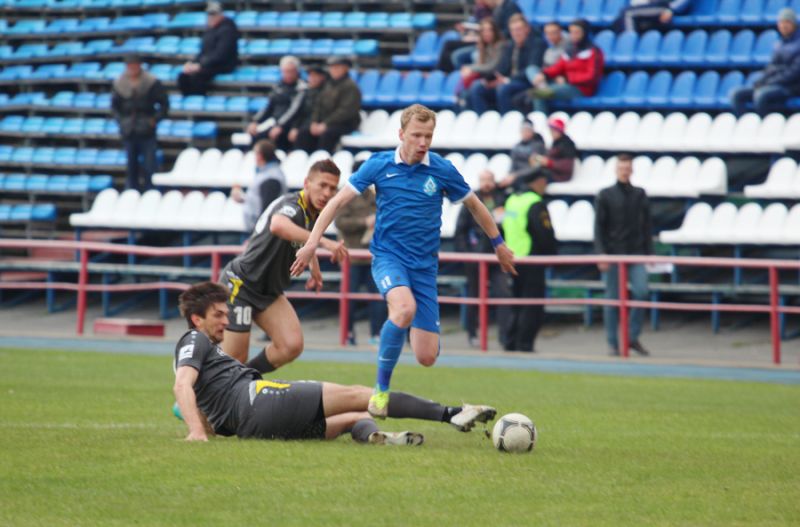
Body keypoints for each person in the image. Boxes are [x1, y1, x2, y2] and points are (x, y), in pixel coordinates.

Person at [291, 104, 517, 419]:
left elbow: (476, 206)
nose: (423, 142)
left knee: (426, 356)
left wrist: (499, 244)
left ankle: (402, 331)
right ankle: (380, 391)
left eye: (428, 136)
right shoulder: (379, 165)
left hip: (424, 267)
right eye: (416, 135)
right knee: (403, 308)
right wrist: (312, 242)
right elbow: (337, 203)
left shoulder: (442, 170)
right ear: (401, 134)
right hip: (388, 257)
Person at [173, 281, 497, 443]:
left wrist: (204, 427)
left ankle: (381, 440)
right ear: (196, 319)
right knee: (362, 395)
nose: (226, 321)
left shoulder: (204, 354)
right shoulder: (194, 339)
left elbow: (198, 397)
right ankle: (451, 414)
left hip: (255, 428)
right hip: (260, 400)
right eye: (218, 315)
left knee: (354, 417)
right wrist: (196, 432)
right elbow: (182, 385)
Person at [219, 159, 348, 371]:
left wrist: (314, 265)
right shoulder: (292, 205)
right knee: (235, 359)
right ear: (307, 183)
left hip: (269, 290)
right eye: (322, 185)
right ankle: (203, 385)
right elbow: (278, 225)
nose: (327, 193)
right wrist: (324, 242)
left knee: (291, 345)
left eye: (332, 188)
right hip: (242, 284)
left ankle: (245, 379)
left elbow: (304, 240)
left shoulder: (315, 213)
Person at [594, 153, 652, 357]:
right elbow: (598, 227)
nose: (624, 171)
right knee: (612, 299)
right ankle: (613, 342)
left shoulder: (640, 194)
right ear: (616, 170)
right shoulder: (605, 195)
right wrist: (601, 253)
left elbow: (646, 226)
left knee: (641, 293)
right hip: (613, 254)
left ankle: (632, 337)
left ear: (632, 170)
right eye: (621, 168)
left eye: (627, 168)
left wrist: (649, 253)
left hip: (635, 253)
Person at [454, 169, 512, 348]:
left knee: (503, 294)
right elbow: (460, 231)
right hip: (476, 258)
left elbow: (510, 223)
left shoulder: (503, 199)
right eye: (483, 180)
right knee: (474, 296)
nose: (486, 184)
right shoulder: (471, 199)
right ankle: (472, 333)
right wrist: (467, 254)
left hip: (497, 257)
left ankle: (504, 336)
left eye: (489, 180)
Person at [501, 171, 557, 352]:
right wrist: (552, 256)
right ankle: (524, 343)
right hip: (531, 259)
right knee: (532, 305)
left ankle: (510, 341)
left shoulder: (512, 200)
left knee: (516, 302)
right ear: (539, 181)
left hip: (513, 258)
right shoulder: (535, 202)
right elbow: (544, 234)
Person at [334, 160, 387, 346]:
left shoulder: (374, 194)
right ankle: (348, 334)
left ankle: (377, 334)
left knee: (378, 297)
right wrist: (364, 222)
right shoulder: (345, 194)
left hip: (372, 255)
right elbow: (340, 222)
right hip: (351, 256)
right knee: (349, 298)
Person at [465, 13, 545, 114]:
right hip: (507, 81)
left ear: (527, 29)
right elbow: (502, 67)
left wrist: (508, 80)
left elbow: (531, 69)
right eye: (513, 30)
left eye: (519, 29)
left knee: (503, 88)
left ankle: (507, 119)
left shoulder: (537, 44)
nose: (516, 33)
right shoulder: (510, 45)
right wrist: (493, 80)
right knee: (478, 86)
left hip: (525, 82)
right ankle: (483, 119)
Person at [111, 54, 169, 191]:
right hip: (128, 128)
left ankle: (151, 190)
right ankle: (132, 191)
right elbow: (115, 107)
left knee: (150, 164)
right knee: (131, 164)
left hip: (146, 128)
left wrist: (154, 120)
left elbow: (164, 104)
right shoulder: (119, 83)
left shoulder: (151, 82)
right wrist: (121, 122)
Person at [730, 8, 800, 116]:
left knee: (761, 95)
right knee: (736, 94)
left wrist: (770, 82)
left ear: (794, 24)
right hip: (773, 83)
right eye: (781, 22)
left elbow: (793, 72)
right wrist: (761, 81)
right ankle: (744, 122)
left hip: (790, 87)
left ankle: (765, 123)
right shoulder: (779, 44)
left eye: (787, 22)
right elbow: (771, 67)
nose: (783, 26)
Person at [529, 19, 604, 115]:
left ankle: (540, 120)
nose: (574, 35)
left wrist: (568, 79)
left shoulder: (593, 52)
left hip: (581, 90)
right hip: (565, 85)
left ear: (585, 33)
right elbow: (558, 66)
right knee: (533, 81)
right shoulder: (570, 50)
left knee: (539, 94)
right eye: (571, 32)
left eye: (577, 32)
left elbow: (591, 76)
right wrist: (544, 74)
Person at [294, 56, 361, 154]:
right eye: (331, 67)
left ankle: (323, 159)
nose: (333, 70)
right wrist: (314, 122)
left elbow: (345, 111)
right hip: (324, 123)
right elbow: (318, 105)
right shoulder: (328, 85)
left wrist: (326, 124)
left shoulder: (351, 87)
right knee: (304, 132)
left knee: (328, 134)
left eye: (337, 67)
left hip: (345, 124)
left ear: (345, 68)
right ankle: (301, 158)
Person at [177, 1, 239, 96]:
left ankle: (198, 98)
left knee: (198, 76)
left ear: (221, 14)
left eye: (214, 14)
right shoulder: (210, 30)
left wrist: (200, 65)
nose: (211, 17)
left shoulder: (227, 30)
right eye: (209, 14)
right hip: (208, 63)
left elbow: (221, 54)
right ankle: (189, 100)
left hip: (223, 65)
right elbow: (203, 51)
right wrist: (193, 63)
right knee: (183, 76)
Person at [245, 56, 306, 151]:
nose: (288, 74)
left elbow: (294, 110)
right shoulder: (278, 87)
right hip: (273, 122)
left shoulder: (301, 88)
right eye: (285, 71)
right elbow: (268, 107)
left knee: (278, 135)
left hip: (292, 124)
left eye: (291, 71)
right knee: (255, 135)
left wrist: (280, 126)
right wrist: (255, 121)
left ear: (297, 71)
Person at [502, 117, 577, 187]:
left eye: (554, 130)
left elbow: (567, 165)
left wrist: (548, 162)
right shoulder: (556, 143)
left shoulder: (567, 144)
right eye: (551, 130)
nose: (551, 133)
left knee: (534, 177)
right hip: (547, 173)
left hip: (558, 176)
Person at [231, 139, 286, 232]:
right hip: (255, 228)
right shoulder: (265, 174)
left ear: (260, 155)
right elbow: (257, 200)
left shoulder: (271, 177)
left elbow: (267, 209)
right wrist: (242, 197)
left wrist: (259, 234)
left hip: (260, 230)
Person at [436, 0, 494, 72]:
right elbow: (474, 26)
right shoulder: (479, 9)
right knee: (448, 45)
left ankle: (445, 72)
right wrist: (465, 32)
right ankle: (442, 73)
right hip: (473, 38)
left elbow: (487, 31)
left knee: (456, 54)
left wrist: (475, 37)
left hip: (479, 41)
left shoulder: (492, 11)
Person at [457, 18, 506, 100]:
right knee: (464, 93)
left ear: (495, 31)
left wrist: (470, 68)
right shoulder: (484, 46)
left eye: (489, 30)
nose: (486, 33)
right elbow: (480, 65)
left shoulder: (500, 46)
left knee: (474, 88)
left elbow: (492, 67)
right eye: (484, 31)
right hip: (486, 78)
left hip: (497, 80)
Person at [288, 64, 327, 148]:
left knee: (303, 133)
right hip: (305, 124)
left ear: (322, 77)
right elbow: (299, 113)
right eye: (310, 76)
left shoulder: (326, 92)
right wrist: (295, 127)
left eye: (315, 76)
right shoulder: (306, 93)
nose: (312, 78)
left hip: (317, 124)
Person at [612, 0, 692, 33]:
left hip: (665, 7)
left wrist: (671, 10)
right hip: (652, 6)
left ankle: (630, 43)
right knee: (617, 22)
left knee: (628, 13)